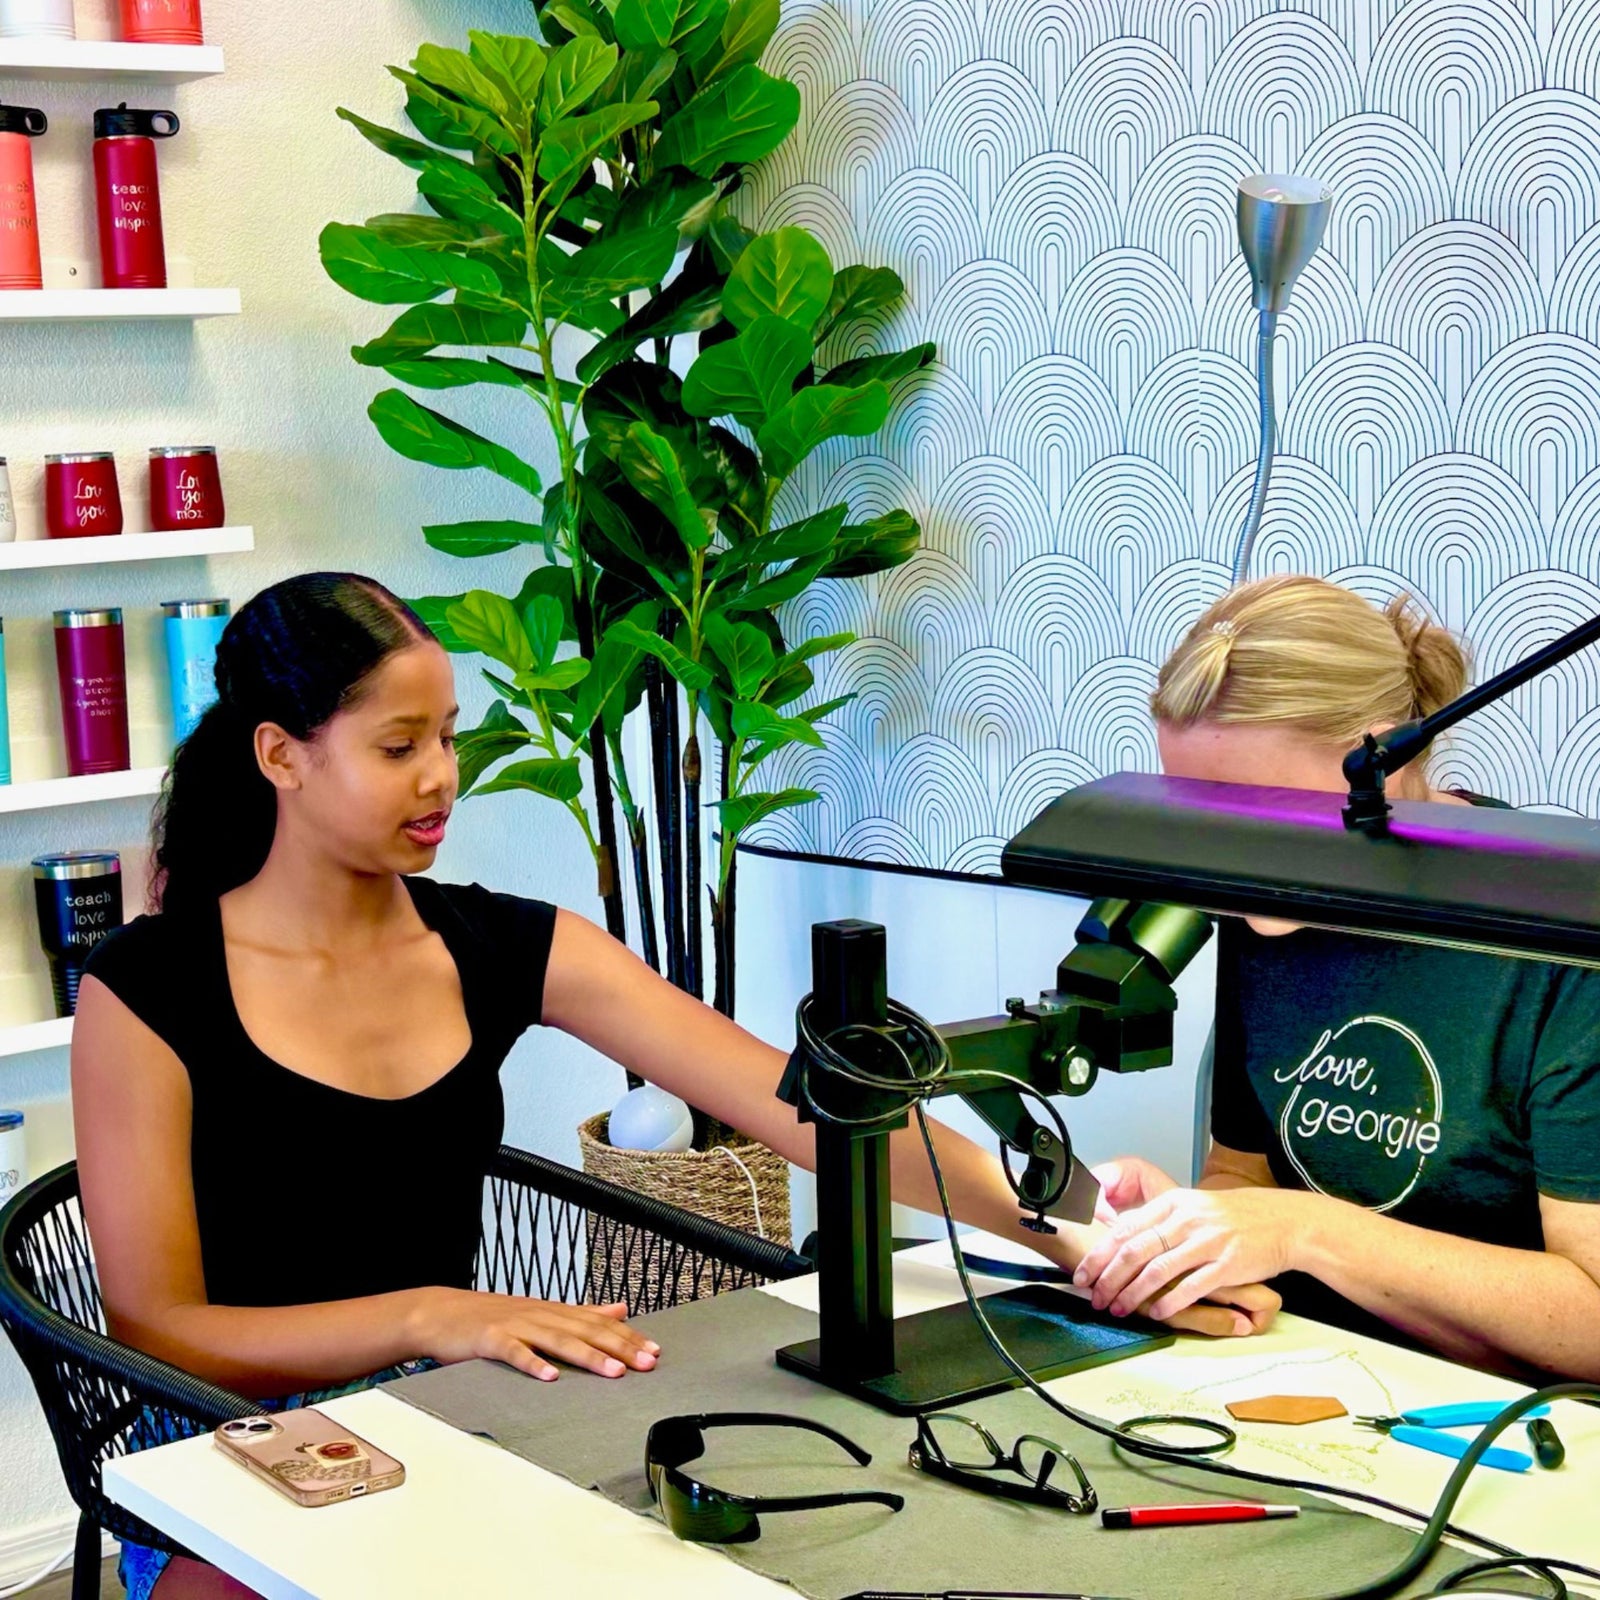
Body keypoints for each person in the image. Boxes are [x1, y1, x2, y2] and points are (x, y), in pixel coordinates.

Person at [73, 573, 1278, 1600]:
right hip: (225, 1446)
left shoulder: (504, 944)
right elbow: (157, 1327)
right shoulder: (147, 988)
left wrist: (1076, 1238)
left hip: (452, 1410)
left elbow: (807, 1106)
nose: (441, 778)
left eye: (448, 736)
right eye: (399, 747)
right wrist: (430, 1314)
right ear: (279, 755)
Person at [1072, 575, 1600, 1383]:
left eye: (1258, 820)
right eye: (1200, 820)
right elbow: (1246, 1172)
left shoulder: (1561, 938)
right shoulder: (1269, 916)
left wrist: (1304, 1231)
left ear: (1383, 762)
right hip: (1309, 1375)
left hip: (1511, 1420)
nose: (1227, 868)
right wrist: (1182, 1231)